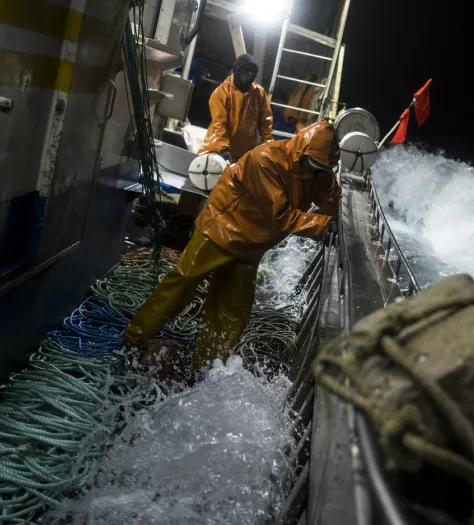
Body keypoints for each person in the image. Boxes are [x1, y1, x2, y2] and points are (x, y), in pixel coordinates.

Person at [125, 121, 341, 377]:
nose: (317, 173)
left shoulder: (318, 170)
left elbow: (331, 198)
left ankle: (206, 365)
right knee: (182, 283)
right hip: (222, 227)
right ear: (300, 151)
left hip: (254, 243)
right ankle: (133, 341)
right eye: (314, 166)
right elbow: (279, 215)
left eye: (323, 168)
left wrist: (338, 219)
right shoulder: (266, 160)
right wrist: (322, 226)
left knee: (233, 308)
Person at [198, 53, 274, 162]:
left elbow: (266, 124)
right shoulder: (221, 93)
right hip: (220, 150)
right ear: (236, 71)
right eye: (244, 75)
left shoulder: (259, 94)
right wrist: (222, 148)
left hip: (244, 154)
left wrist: (269, 147)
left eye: (250, 75)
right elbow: (219, 124)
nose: (247, 78)